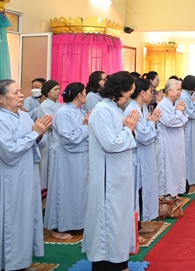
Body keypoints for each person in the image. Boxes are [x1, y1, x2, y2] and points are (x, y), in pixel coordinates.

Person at [0, 79, 52, 271]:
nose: (21, 95)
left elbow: (38, 142)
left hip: (26, 174)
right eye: (16, 92)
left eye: (21, 91)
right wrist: (34, 134)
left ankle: (21, 262)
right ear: (0, 98)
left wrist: (39, 134)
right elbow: (8, 152)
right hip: (5, 178)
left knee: (24, 218)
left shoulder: (24, 116)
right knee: (8, 219)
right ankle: (6, 264)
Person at [83, 72, 139, 271]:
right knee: (109, 222)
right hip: (108, 179)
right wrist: (128, 129)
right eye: (128, 94)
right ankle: (107, 265)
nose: (129, 98)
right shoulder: (102, 110)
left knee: (120, 222)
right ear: (119, 91)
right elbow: (111, 144)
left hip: (119, 176)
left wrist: (128, 128)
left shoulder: (114, 108)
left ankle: (120, 262)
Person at [44, 82, 89, 240]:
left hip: (80, 157)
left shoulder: (80, 111)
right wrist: (86, 126)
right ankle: (59, 227)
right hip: (66, 158)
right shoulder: (63, 112)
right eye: (84, 92)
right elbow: (69, 137)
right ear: (79, 95)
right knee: (64, 190)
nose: (86, 95)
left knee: (79, 191)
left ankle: (77, 222)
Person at [125, 78, 161, 224]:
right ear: (142, 93)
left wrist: (152, 125)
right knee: (137, 188)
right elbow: (143, 136)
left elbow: (150, 133)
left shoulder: (144, 109)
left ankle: (145, 217)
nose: (152, 95)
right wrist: (152, 123)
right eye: (150, 91)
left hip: (146, 153)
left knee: (147, 184)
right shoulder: (132, 110)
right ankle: (136, 222)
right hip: (136, 154)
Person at [156, 78, 188, 197]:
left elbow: (184, 119)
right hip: (167, 142)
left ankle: (176, 191)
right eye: (177, 90)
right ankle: (168, 193)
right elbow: (169, 121)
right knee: (169, 168)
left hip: (176, 141)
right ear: (169, 91)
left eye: (180, 90)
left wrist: (180, 114)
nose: (180, 92)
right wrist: (179, 113)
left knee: (177, 166)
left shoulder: (175, 104)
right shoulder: (163, 105)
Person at [36, 79, 62, 190]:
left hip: (58, 138)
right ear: (47, 91)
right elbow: (51, 123)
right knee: (46, 166)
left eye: (59, 89)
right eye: (55, 89)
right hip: (48, 138)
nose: (58, 92)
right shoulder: (45, 105)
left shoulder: (60, 105)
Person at [179, 75, 195, 189]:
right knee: (188, 153)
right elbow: (191, 114)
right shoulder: (184, 96)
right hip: (187, 128)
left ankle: (192, 178)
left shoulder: (188, 95)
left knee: (192, 151)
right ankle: (188, 180)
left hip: (191, 127)